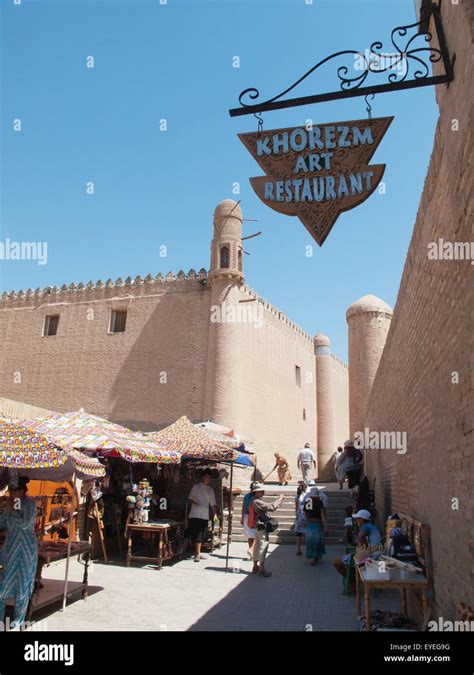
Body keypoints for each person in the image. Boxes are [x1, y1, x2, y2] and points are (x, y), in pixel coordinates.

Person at [0, 477, 38, 628]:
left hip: (25, 551)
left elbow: (24, 523)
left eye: (13, 491)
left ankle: (18, 623)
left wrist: (13, 508)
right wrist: (7, 509)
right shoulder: (11, 503)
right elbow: (2, 522)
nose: (11, 493)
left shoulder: (29, 504)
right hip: (10, 550)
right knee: (3, 588)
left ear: (22, 491)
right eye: (10, 491)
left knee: (22, 588)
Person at [333, 509, 382, 587]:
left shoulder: (365, 527)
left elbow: (361, 536)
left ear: (361, 519)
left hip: (370, 558)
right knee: (350, 559)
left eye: (357, 518)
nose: (356, 521)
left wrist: (362, 549)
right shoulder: (371, 526)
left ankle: (353, 582)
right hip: (375, 555)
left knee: (336, 562)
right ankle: (354, 581)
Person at [250, 483, 284, 577]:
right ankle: (261, 568)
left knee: (257, 546)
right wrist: (279, 499)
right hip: (261, 526)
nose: (263, 492)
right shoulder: (257, 502)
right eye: (261, 491)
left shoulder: (254, 501)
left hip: (257, 526)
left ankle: (255, 566)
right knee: (263, 546)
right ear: (256, 492)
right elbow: (271, 507)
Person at [187, 469, 217, 562]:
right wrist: (194, 502)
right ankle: (197, 555)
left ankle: (198, 552)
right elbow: (190, 498)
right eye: (207, 477)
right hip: (195, 514)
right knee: (198, 534)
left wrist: (215, 514)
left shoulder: (210, 490)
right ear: (203, 477)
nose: (208, 479)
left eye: (210, 478)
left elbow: (213, 504)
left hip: (205, 514)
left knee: (203, 534)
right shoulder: (196, 487)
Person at [303, 485, 327, 565]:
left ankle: (312, 557)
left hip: (310, 524)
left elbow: (304, 512)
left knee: (310, 540)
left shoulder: (307, 501)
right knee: (317, 540)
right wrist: (325, 526)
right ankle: (315, 557)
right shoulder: (320, 502)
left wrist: (306, 520)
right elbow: (322, 515)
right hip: (318, 524)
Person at [241, 482, 256, 560]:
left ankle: (251, 551)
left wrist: (242, 517)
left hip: (246, 516)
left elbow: (243, 507)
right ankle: (251, 550)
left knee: (250, 536)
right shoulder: (255, 498)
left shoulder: (246, 496)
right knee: (254, 535)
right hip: (252, 516)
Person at [294, 481, 307, 556]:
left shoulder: (297, 497)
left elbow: (296, 508)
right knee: (307, 533)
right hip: (305, 515)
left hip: (299, 515)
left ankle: (298, 549)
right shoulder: (307, 496)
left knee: (298, 533)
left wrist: (296, 516)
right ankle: (308, 548)